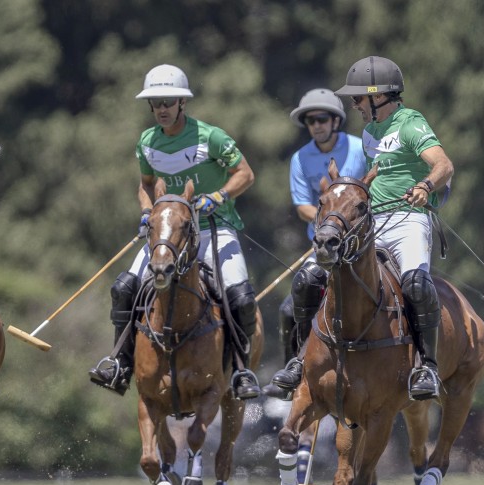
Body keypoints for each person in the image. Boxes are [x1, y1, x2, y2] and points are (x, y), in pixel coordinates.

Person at [88, 64, 261, 400]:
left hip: (214, 228)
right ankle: (119, 364)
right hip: (167, 234)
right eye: (155, 103)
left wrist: (220, 196)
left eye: (168, 101)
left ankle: (241, 369)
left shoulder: (210, 136)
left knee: (239, 296)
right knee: (124, 287)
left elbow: (246, 174)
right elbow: (146, 184)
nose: (162, 109)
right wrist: (146, 212)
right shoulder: (147, 141)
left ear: (182, 103)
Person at [294, 55, 451, 401]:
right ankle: (299, 357)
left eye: (357, 99)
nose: (354, 105)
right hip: (371, 221)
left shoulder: (410, 123)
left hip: (409, 218)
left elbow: (444, 165)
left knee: (415, 282)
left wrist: (425, 186)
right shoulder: (368, 132)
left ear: (379, 96)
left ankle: (427, 365)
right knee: (310, 278)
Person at [264, 88, 368, 401]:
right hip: (325, 245)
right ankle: (293, 367)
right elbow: (302, 206)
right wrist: (328, 222)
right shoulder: (300, 159)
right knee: (288, 307)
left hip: (361, 246)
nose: (316, 125)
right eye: (310, 121)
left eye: (322, 119)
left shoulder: (360, 149)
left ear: (336, 120)